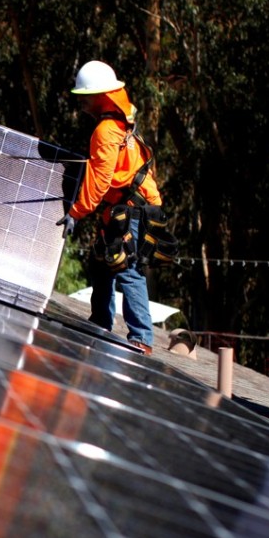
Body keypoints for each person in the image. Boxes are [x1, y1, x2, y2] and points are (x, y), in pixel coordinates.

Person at [57, 60, 162, 355]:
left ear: (102, 95)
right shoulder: (121, 122)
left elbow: (100, 180)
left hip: (130, 207)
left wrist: (76, 212)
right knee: (102, 262)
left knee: (126, 267)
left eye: (85, 98)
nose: (82, 105)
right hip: (128, 205)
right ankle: (100, 321)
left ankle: (141, 338)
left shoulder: (105, 131)